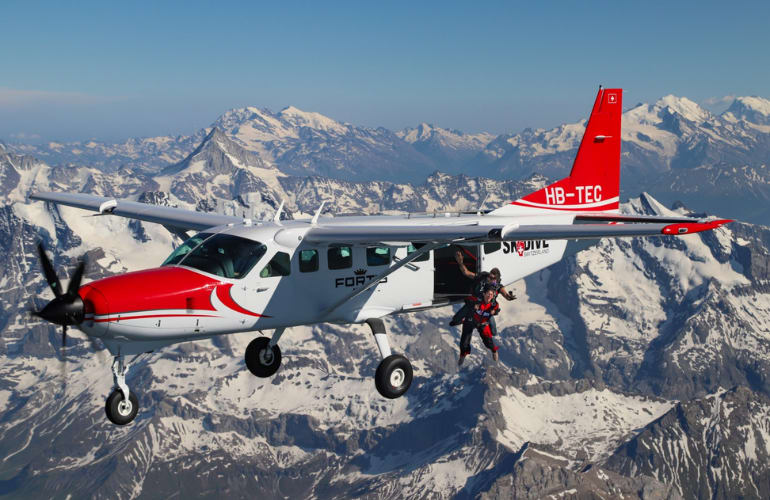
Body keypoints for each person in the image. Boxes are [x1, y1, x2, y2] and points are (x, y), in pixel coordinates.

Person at [449, 248, 514, 330]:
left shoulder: (498, 286)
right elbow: (466, 272)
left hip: (486, 310)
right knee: (454, 321)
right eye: (489, 277)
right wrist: (460, 263)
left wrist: (509, 297)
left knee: (493, 331)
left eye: (493, 279)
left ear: (497, 280)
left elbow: (505, 294)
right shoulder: (481, 278)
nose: (490, 279)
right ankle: (464, 320)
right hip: (474, 305)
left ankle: (482, 322)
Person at [458, 285, 500, 365]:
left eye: (491, 295)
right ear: (484, 294)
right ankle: (463, 354)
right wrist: (473, 306)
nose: (489, 296)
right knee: (465, 340)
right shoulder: (477, 299)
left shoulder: (494, 304)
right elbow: (467, 299)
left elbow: (497, 309)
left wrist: (494, 312)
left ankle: (494, 351)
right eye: (488, 294)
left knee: (488, 340)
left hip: (483, 323)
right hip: (471, 320)